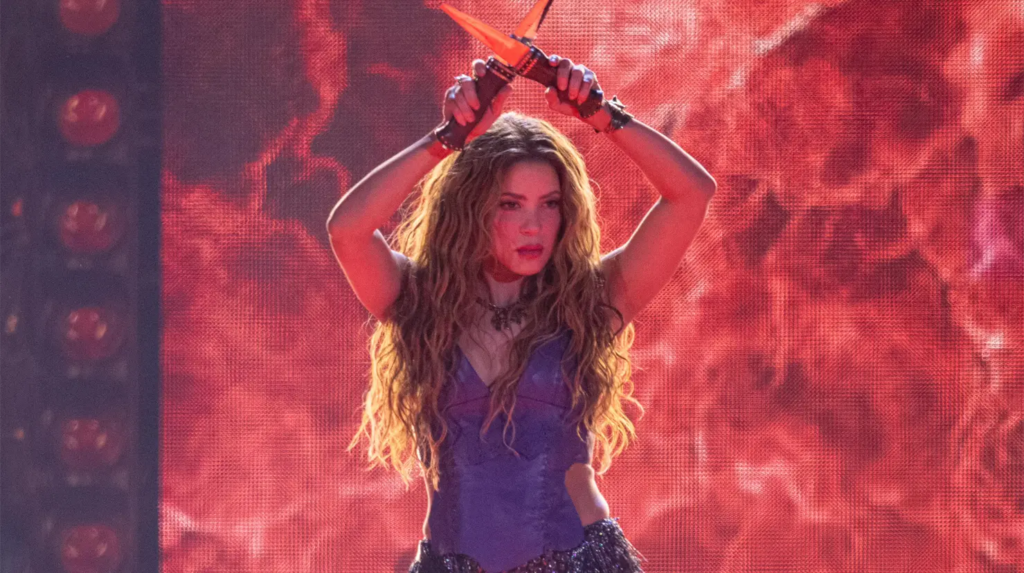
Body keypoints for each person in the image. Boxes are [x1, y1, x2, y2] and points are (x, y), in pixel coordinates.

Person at [328, 55, 716, 572]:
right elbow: (347, 230)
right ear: (470, 208)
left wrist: (601, 113)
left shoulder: (591, 300)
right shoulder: (421, 302)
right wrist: (448, 138)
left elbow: (691, 194)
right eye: (510, 204)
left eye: (549, 203)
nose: (533, 225)